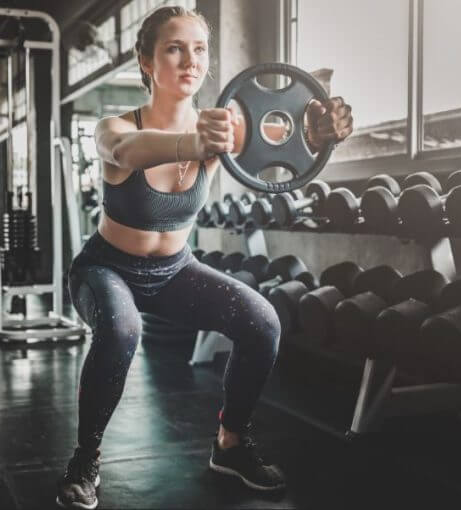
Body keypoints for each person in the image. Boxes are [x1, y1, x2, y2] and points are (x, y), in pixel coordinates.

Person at [56, 6, 354, 509]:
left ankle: (231, 445)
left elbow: (286, 141)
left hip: (175, 270)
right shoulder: (114, 126)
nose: (190, 60)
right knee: (122, 329)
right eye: (174, 48)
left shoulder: (222, 130)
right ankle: (85, 459)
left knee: (262, 321)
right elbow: (127, 152)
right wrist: (193, 142)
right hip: (107, 268)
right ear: (147, 62)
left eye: (199, 49)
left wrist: (322, 134)